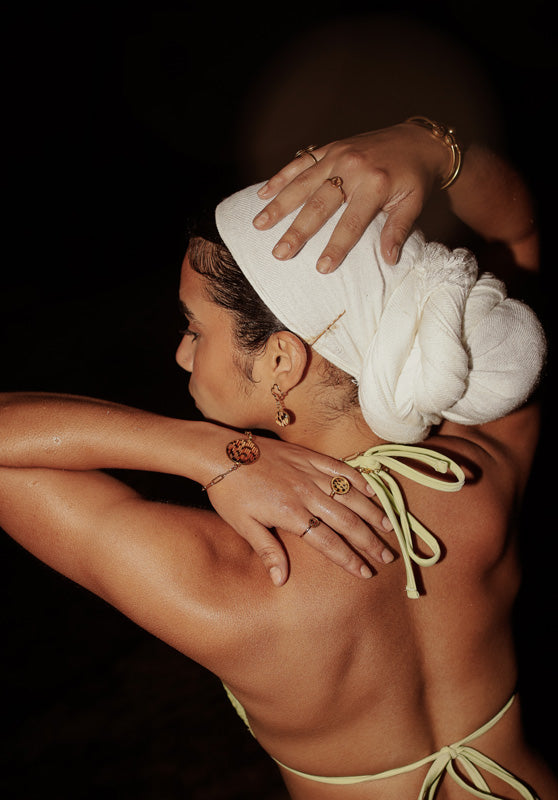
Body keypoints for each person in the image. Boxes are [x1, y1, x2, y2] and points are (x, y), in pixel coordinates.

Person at [0, 120, 555, 799]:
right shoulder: (482, 468)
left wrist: (208, 453)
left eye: (194, 328)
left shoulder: (228, 576)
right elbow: (517, 237)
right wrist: (435, 147)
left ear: (282, 360)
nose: (180, 353)